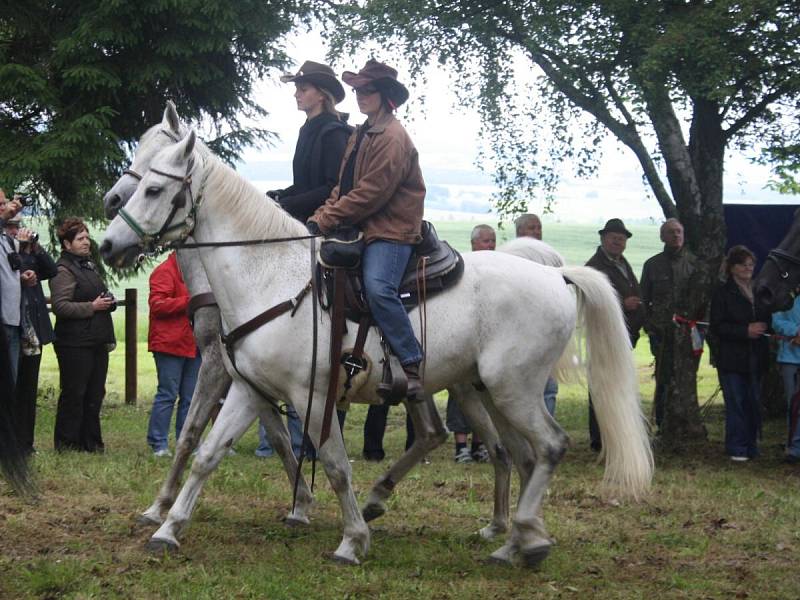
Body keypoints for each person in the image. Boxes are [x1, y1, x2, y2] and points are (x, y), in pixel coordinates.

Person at [309, 58, 425, 400]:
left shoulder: (392, 137)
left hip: (391, 231)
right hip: (363, 225)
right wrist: (320, 215)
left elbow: (371, 194)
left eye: (368, 90)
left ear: (385, 95)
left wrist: (328, 219)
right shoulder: (360, 133)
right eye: (358, 89)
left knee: (378, 287)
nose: (360, 95)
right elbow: (344, 187)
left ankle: (411, 362)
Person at [258, 60, 352, 457]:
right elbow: (304, 185)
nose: (297, 93)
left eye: (303, 87)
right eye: (297, 87)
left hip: (331, 224)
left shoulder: (333, 132)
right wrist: (277, 197)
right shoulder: (308, 129)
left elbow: (332, 187)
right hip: (307, 217)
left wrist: (285, 206)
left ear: (321, 93)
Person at [50, 217, 115, 452]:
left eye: (87, 237)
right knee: (75, 394)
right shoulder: (62, 270)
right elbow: (60, 306)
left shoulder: (88, 265)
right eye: (80, 239)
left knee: (95, 393)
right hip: (73, 343)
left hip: (96, 340)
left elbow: (95, 296)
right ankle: (67, 444)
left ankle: (91, 443)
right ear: (67, 244)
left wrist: (108, 302)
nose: (86, 242)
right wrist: (92, 307)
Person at [585, 218, 645, 451]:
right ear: (603, 238)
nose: (618, 242)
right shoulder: (594, 267)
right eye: (613, 238)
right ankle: (599, 439)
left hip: (623, 338)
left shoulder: (622, 263)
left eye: (622, 239)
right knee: (602, 388)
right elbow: (591, 301)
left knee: (618, 387)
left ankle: (614, 436)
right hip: (603, 338)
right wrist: (622, 303)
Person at [640, 218, 703, 432]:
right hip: (661, 333)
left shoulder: (695, 264)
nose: (676, 235)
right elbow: (643, 298)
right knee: (664, 378)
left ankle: (686, 422)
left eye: (679, 231)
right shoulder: (652, 265)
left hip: (689, 333)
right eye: (670, 232)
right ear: (662, 237)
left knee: (687, 377)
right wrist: (650, 326)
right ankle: (662, 423)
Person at [709, 245, 770, 462]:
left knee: (753, 402)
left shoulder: (759, 291)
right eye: (742, 264)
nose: (748, 268)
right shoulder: (723, 293)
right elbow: (716, 326)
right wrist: (745, 331)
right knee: (737, 403)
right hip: (731, 358)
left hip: (756, 357)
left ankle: (751, 446)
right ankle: (737, 447)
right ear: (732, 267)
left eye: (751, 264)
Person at [5, 215, 57, 455]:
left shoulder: (28, 251)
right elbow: (16, 273)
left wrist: (34, 247)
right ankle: (11, 442)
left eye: (19, 226)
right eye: (12, 227)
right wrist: (22, 253)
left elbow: (51, 270)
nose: (18, 231)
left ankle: (26, 442)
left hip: (32, 330)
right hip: (13, 327)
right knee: (12, 388)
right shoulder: (6, 251)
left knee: (28, 388)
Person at [445, 224, 496, 463]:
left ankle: (480, 444)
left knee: (485, 394)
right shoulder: (463, 267)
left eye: (492, 240)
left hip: (487, 341)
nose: (490, 245)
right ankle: (461, 447)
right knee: (460, 394)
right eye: (486, 240)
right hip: (463, 339)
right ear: (474, 243)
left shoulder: (494, 271)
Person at [146, 252, 201, 458]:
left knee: (190, 397)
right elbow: (157, 305)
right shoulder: (164, 272)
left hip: (192, 343)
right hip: (169, 344)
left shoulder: (193, 272)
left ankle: (186, 442)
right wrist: (189, 301)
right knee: (167, 394)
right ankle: (158, 442)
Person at [515, 213, 558, 416]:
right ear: (520, 231)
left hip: (546, 330)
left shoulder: (549, 256)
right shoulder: (511, 256)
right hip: (520, 332)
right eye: (532, 227)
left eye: (539, 227)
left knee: (548, 387)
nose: (537, 231)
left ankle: (547, 427)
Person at [772, 296, 800, 464]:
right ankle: (794, 448)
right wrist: (796, 330)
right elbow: (776, 322)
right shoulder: (785, 298)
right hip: (789, 359)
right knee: (793, 405)